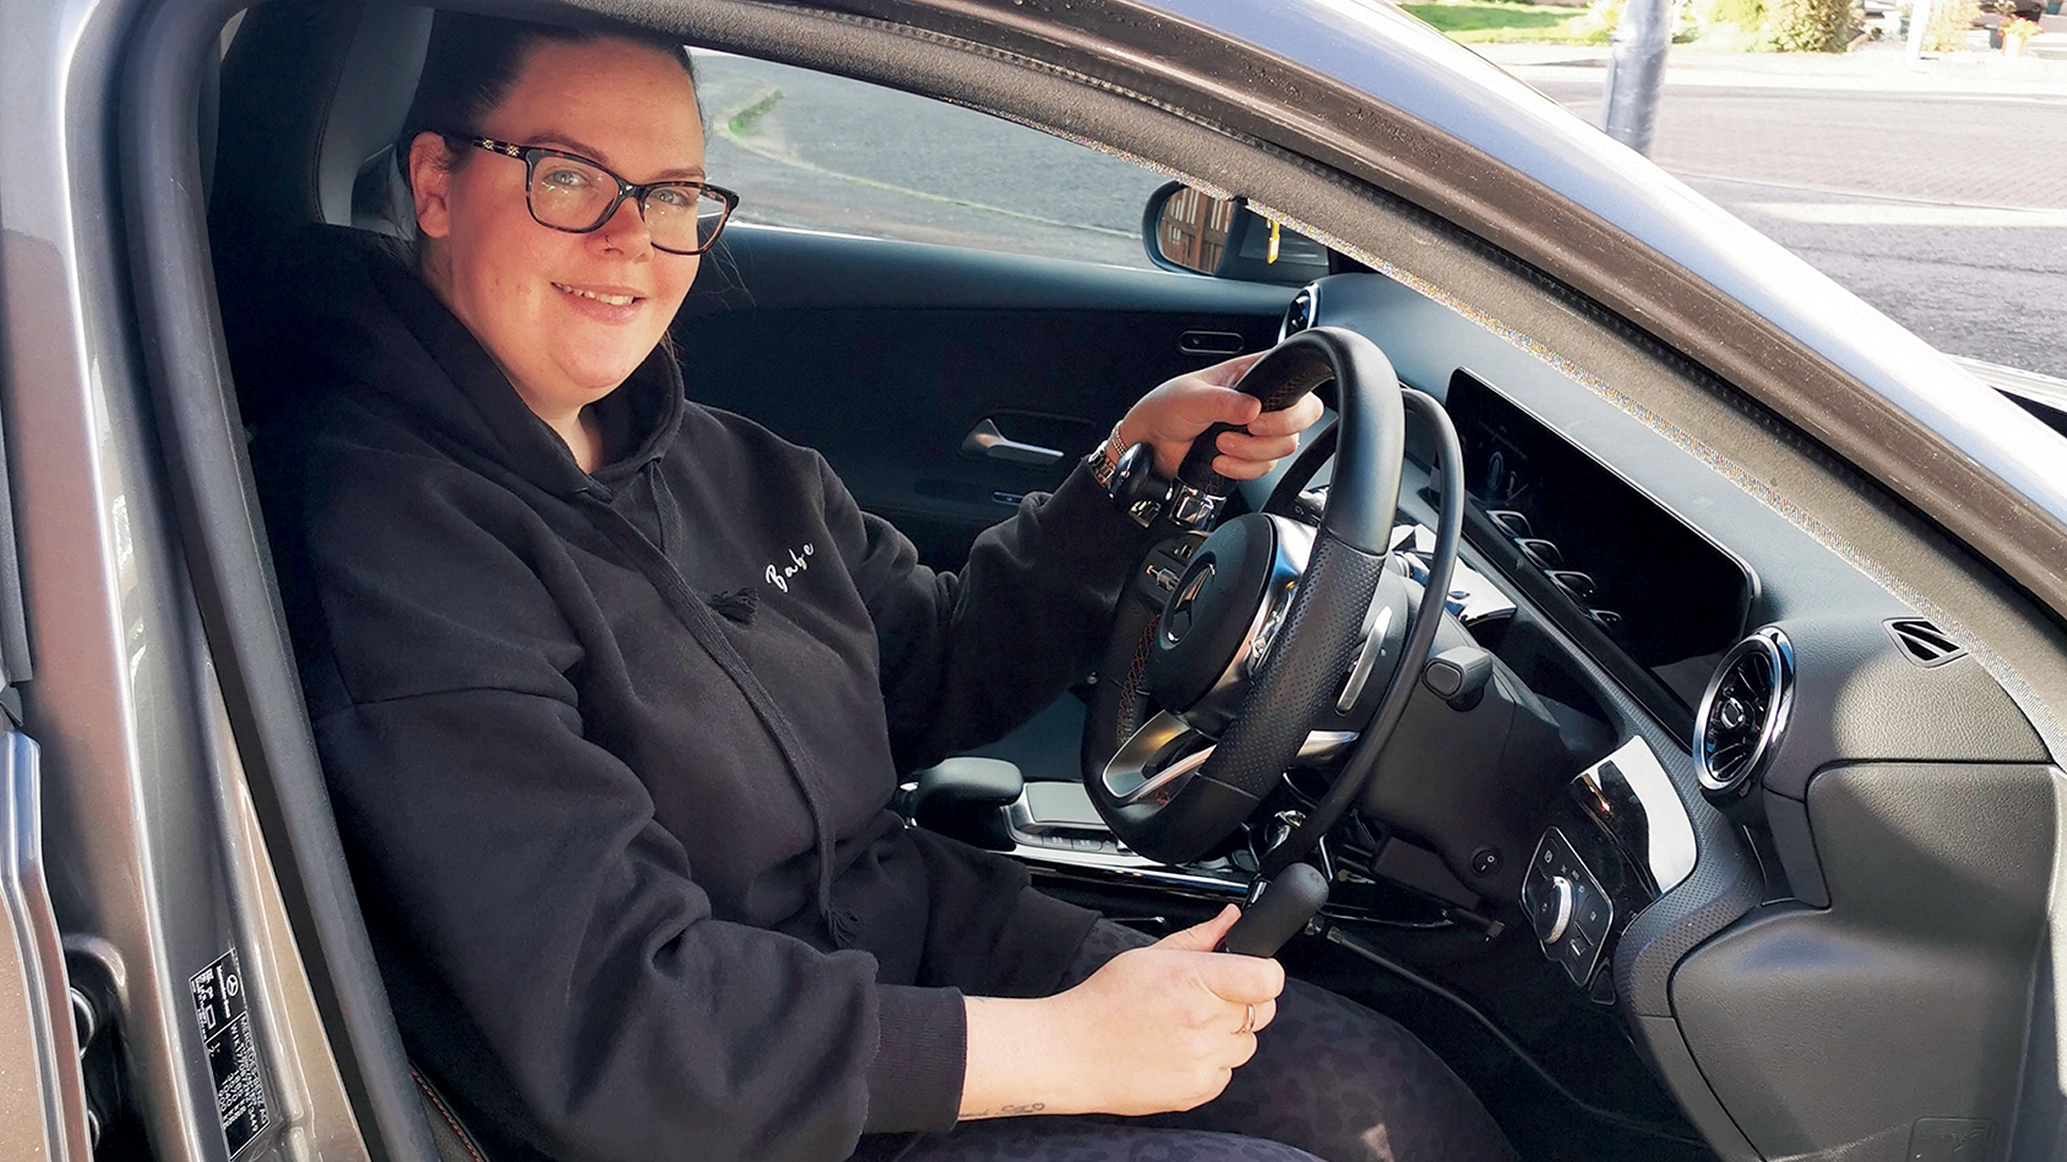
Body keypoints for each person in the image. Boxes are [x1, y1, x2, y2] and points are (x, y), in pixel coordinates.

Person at [253, 12, 1519, 1162]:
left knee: (1385, 1108)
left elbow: (928, 666)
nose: (633, 239)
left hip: (926, 954)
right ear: (434, 181)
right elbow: (622, 1015)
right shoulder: (391, 539)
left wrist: (1126, 476)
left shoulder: (727, 461)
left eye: (678, 192)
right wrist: (1068, 1050)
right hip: (756, 1112)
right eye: (570, 176)